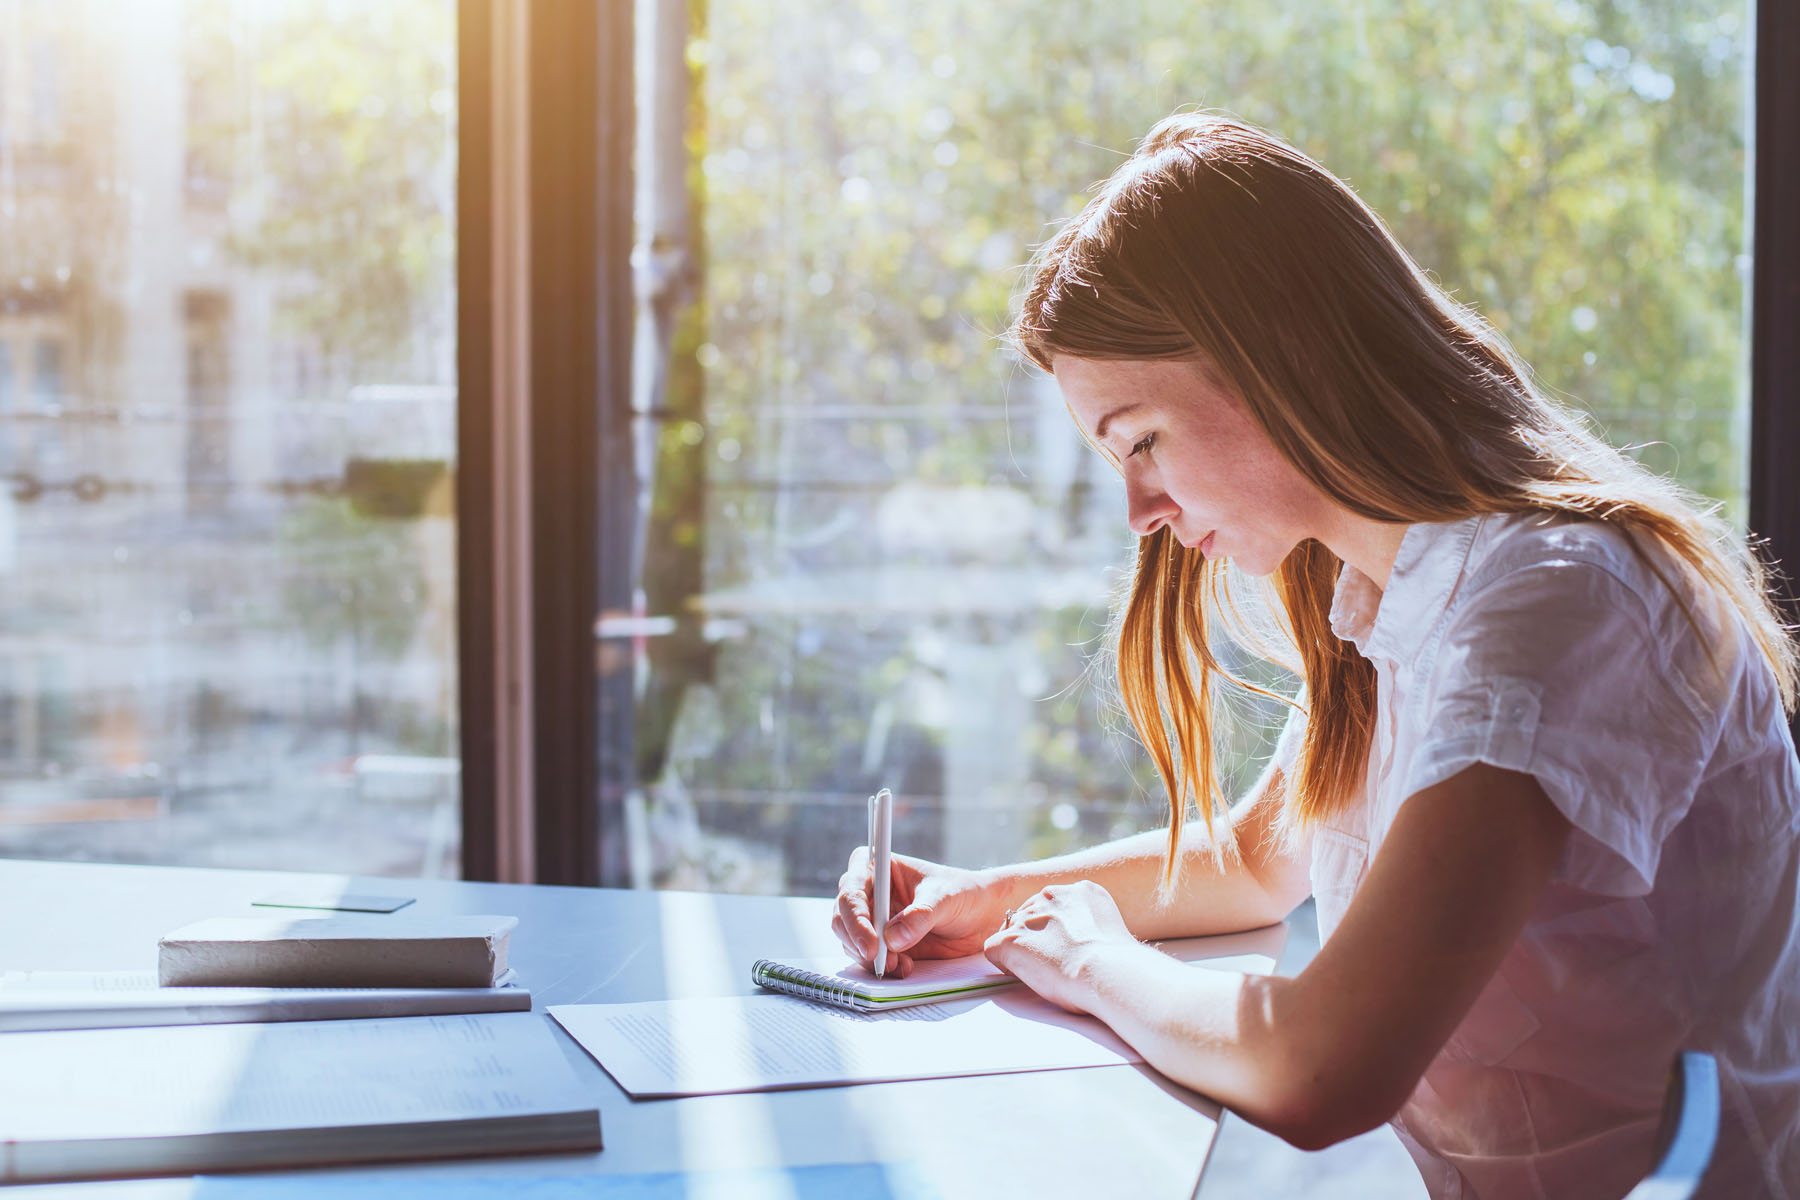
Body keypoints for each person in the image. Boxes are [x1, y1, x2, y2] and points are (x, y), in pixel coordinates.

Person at [832, 112, 1800, 1198]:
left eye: (1141, 439)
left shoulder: (1556, 605)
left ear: (1281, 356)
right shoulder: (1388, 597)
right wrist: (986, 897)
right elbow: (1254, 864)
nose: (1139, 509)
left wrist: (1090, 962)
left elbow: (1319, 1069)